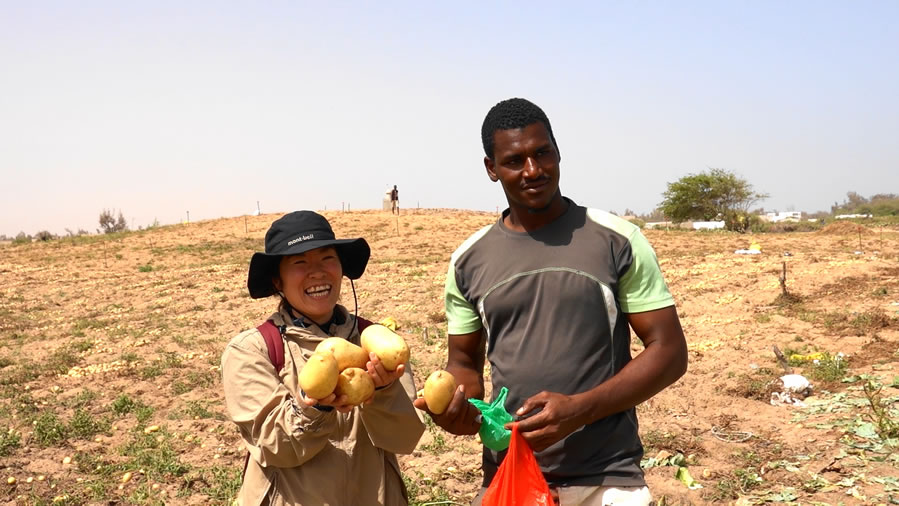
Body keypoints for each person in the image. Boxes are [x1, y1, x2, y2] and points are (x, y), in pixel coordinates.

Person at [412, 98, 688, 505]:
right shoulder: (468, 260)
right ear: (491, 168)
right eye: (514, 160)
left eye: (543, 154)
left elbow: (669, 352)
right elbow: (464, 362)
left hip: (606, 480)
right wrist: (458, 408)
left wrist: (581, 409)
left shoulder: (617, 240)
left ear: (558, 152)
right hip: (510, 476)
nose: (533, 171)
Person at [222, 210, 424, 505]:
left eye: (327, 258)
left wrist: (383, 392)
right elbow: (274, 446)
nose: (317, 272)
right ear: (278, 281)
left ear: (342, 269)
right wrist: (314, 408)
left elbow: (405, 438)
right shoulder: (252, 350)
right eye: (300, 262)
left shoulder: (377, 343)